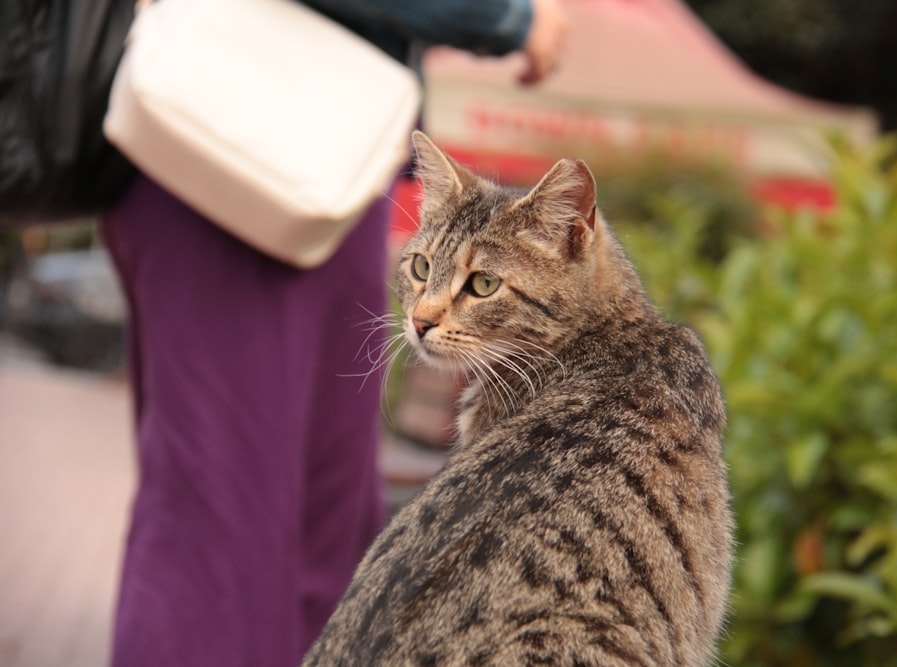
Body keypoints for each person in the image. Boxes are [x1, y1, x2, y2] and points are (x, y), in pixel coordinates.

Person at [102, 1, 567, 666]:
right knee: (220, 528)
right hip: (238, 152)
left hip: (315, 155)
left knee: (320, 529)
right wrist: (509, 19)